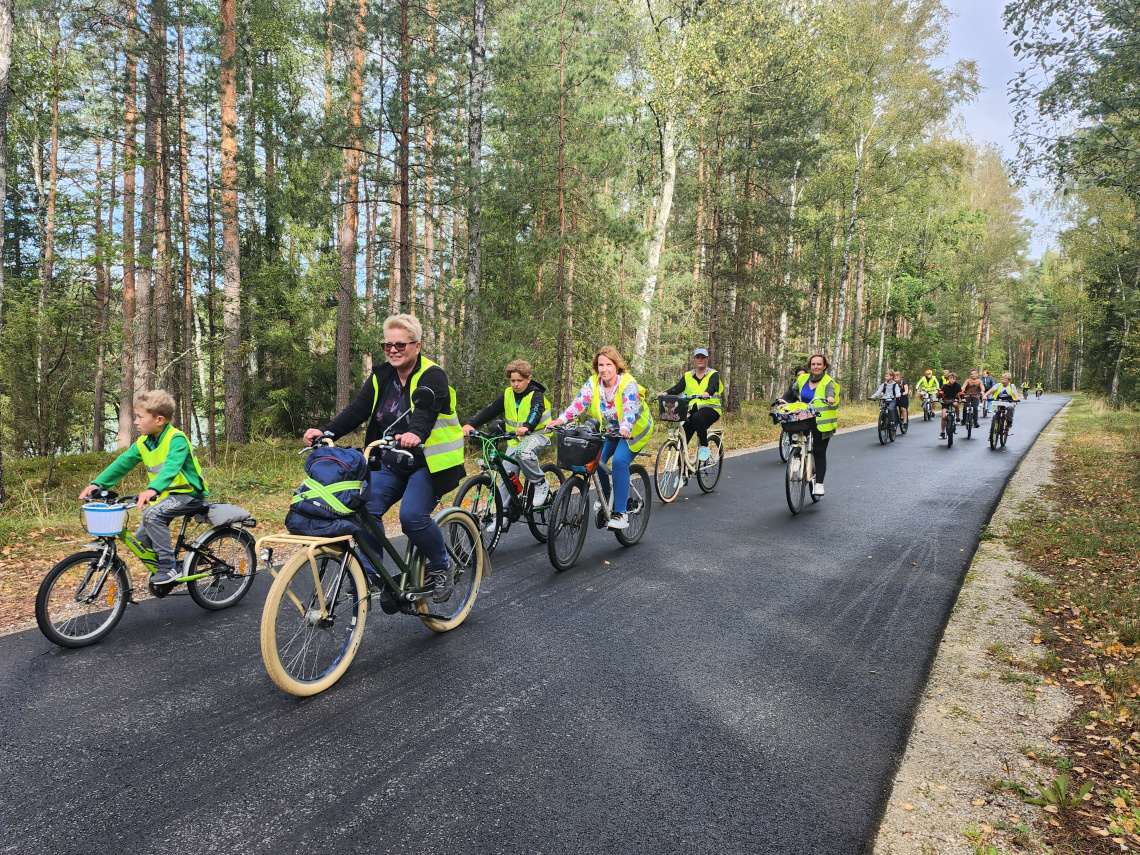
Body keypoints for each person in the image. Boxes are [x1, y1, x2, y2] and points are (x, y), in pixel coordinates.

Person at [303, 314, 465, 603]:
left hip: (428, 462)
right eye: (387, 344)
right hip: (391, 461)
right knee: (362, 510)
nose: (393, 350)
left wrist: (415, 433)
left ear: (416, 346)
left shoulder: (432, 375)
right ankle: (372, 573)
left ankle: (442, 566)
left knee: (412, 517)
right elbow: (358, 410)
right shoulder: (382, 375)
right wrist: (326, 431)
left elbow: (425, 415)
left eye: (400, 345)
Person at [80, 390, 209, 585]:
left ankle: (169, 567)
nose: (135, 421)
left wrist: (153, 489)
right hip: (168, 495)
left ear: (159, 419)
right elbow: (122, 463)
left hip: (189, 494)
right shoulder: (144, 443)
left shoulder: (176, 439)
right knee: (140, 538)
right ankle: (164, 573)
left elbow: (171, 468)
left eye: (140, 417)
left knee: (152, 515)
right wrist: (98, 483)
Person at [548, 346, 653, 530]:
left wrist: (626, 427)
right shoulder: (593, 383)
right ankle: (606, 497)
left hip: (635, 429)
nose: (604, 369)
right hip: (611, 430)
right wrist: (561, 419)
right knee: (596, 461)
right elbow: (578, 404)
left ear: (617, 366)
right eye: (600, 365)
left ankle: (621, 514)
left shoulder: (628, 383)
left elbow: (630, 408)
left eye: (608, 365)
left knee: (619, 462)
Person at [463, 359, 553, 512]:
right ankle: (502, 514)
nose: (515, 384)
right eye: (513, 380)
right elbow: (490, 410)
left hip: (538, 435)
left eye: (520, 380)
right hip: (516, 440)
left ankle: (540, 483)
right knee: (505, 474)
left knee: (524, 453)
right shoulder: (507, 394)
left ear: (528, 379)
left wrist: (527, 426)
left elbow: (535, 412)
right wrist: (471, 423)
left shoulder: (536, 394)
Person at [777, 353, 838, 497]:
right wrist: (783, 400)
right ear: (809, 366)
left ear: (824, 366)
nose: (815, 367)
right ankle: (797, 456)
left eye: (819, 364)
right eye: (813, 364)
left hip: (821, 422)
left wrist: (830, 398)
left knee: (818, 452)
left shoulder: (828, 381)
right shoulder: (803, 379)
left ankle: (819, 484)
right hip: (804, 418)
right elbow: (791, 391)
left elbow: (830, 392)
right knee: (795, 438)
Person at [661, 347, 723, 460]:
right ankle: (683, 475)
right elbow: (677, 388)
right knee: (682, 438)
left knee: (698, 418)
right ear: (694, 359)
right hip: (693, 411)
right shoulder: (688, 375)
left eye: (703, 357)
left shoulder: (713, 374)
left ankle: (704, 447)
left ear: (707, 359)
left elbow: (713, 386)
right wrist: (665, 393)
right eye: (698, 357)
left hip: (711, 409)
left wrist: (707, 393)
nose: (700, 360)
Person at [938, 372, 963, 439]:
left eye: (954, 379)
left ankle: (957, 418)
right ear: (948, 379)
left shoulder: (957, 385)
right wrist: (937, 398)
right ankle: (942, 432)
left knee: (956, 404)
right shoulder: (945, 385)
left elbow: (960, 392)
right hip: (945, 401)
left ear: (956, 379)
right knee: (943, 416)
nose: (952, 380)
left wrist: (963, 398)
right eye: (951, 379)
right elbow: (941, 392)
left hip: (954, 399)